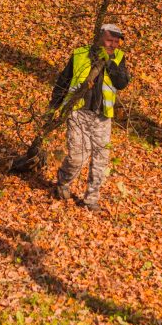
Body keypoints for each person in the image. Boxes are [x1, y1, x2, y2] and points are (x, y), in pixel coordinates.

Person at [49, 24, 130, 211]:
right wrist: (53, 107)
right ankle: (63, 181)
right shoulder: (79, 54)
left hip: (102, 116)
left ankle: (91, 200)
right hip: (78, 113)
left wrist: (110, 63)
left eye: (116, 42)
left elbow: (122, 83)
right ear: (99, 37)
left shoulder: (118, 57)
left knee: (101, 159)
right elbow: (63, 81)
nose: (113, 44)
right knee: (78, 157)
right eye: (109, 40)